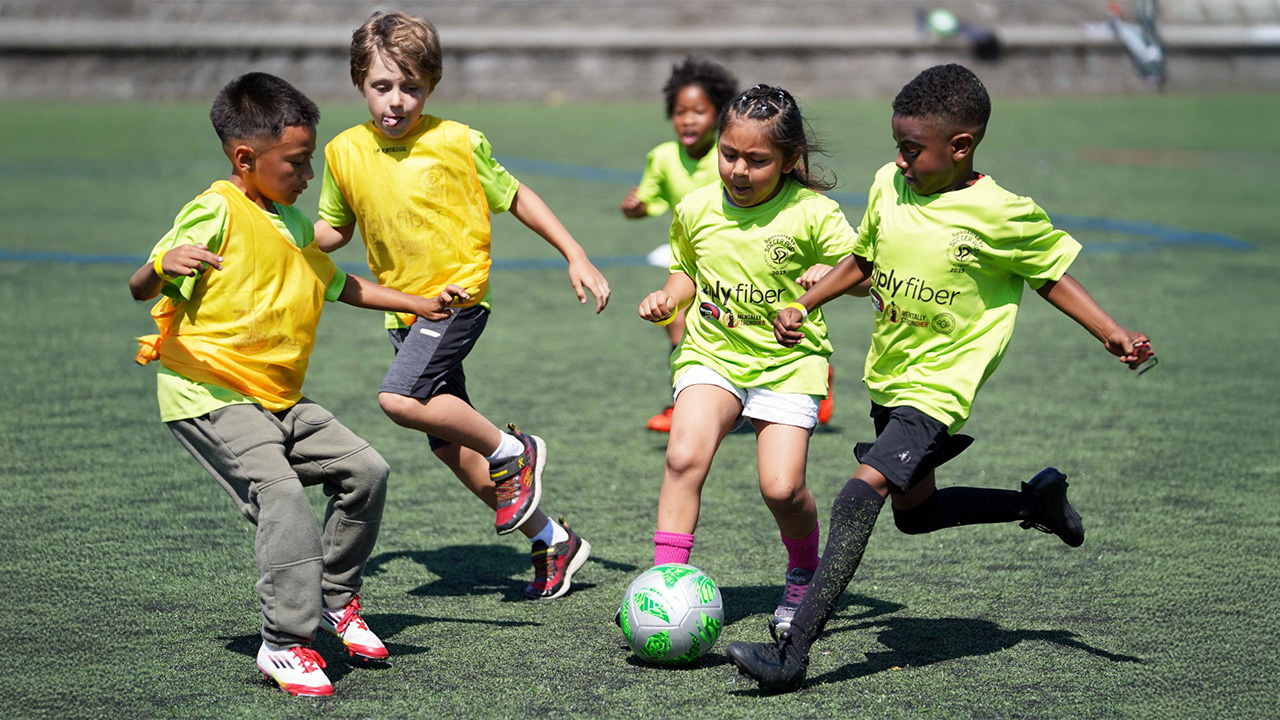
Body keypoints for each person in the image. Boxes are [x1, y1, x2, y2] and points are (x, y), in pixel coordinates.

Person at [725, 64, 1155, 692]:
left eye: (911, 149)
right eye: (897, 146)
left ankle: (792, 654)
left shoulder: (1002, 214)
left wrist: (1110, 331)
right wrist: (805, 304)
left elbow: (1051, 274)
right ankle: (1035, 503)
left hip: (939, 386)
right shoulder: (888, 185)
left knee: (857, 495)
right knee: (915, 515)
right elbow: (862, 257)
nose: (899, 160)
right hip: (891, 375)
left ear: (961, 147)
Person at [129, 72, 467, 697]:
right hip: (209, 392)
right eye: (298, 161)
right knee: (280, 494)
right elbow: (141, 285)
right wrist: (158, 267)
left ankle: (336, 603)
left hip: (276, 397)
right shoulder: (214, 209)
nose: (309, 174)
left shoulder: (287, 217)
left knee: (367, 472)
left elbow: (338, 284)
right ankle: (284, 643)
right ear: (246, 158)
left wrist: (420, 303)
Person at [314, 11, 610, 600]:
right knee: (454, 448)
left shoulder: (457, 141)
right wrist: (275, 232)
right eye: (382, 86)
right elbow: (331, 231)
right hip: (408, 311)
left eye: (411, 88)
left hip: (456, 301)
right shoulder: (343, 152)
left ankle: (515, 449)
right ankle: (553, 539)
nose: (396, 101)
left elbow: (518, 196)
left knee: (399, 399)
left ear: (432, 84)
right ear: (358, 83)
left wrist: (574, 253)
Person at [637, 84, 859, 637]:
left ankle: (805, 572)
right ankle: (667, 587)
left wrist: (821, 283)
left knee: (781, 489)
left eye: (757, 160)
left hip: (788, 364)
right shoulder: (696, 208)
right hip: (713, 352)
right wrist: (670, 297)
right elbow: (687, 270)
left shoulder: (814, 213)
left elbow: (861, 275)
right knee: (683, 457)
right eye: (729, 153)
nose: (739, 169)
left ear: (789, 161)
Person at [620, 56, 738, 433]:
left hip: (735, 258)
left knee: (748, 327)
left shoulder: (729, 155)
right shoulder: (663, 157)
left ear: (720, 115)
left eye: (699, 111)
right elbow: (649, 202)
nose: (688, 119)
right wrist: (635, 207)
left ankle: (815, 377)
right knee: (676, 321)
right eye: (680, 111)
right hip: (689, 262)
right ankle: (683, 404)